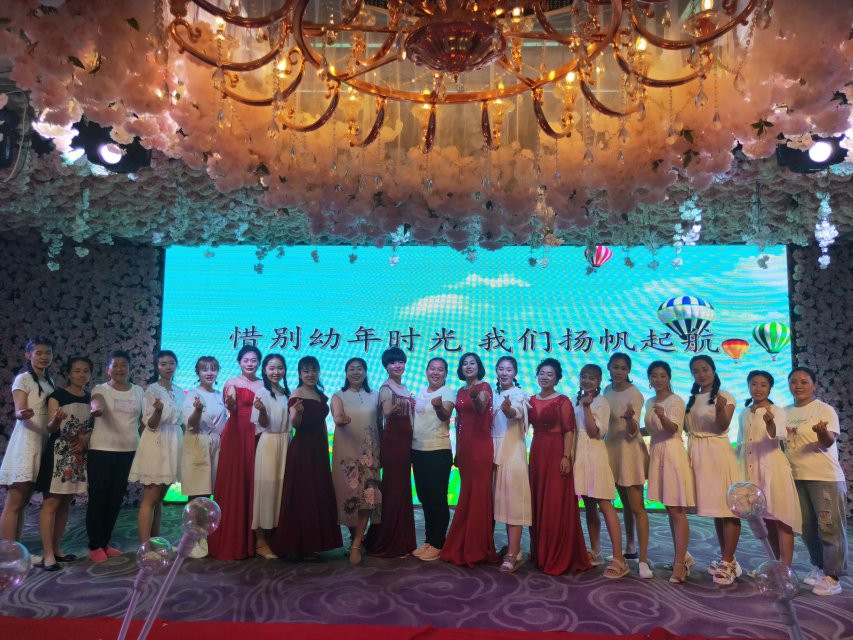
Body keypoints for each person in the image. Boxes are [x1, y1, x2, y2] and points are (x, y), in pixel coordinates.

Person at [270, 356, 342, 559]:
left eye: (314, 370)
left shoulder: (318, 393)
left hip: (318, 449)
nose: (310, 374)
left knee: (317, 493)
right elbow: (295, 424)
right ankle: (299, 546)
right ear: (300, 374)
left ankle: (315, 543)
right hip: (303, 450)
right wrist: (299, 414)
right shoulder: (297, 394)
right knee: (304, 496)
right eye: (306, 371)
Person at [785, 367, 847, 596]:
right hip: (796, 477)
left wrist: (821, 432)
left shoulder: (824, 410)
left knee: (829, 527)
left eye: (804, 381)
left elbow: (828, 442)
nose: (798, 386)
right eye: (794, 381)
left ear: (814, 385)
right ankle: (820, 567)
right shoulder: (785, 411)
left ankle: (833, 577)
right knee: (807, 529)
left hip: (824, 478)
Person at [528, 358, 591, 575]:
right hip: (537, 452)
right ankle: (541, 553)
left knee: (555, 503)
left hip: (557, 452)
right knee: (539, 501)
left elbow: (568, 431)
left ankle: (558, 554)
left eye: (550, 374)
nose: (545, 377)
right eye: (542, 373)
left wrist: (566, 457)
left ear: (557, 379)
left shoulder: (562, 401)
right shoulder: (531, 400)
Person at [685, 355, 741, 585]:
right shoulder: (692, 399)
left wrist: (719, 409)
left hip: (718, 454)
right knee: (718, 510)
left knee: (728, 510)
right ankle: (729, 558)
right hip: (699, 454)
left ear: (714, 370)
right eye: (696, 371)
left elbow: (723, 425)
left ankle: (728, 561)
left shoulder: (724, 396)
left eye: (705, 369)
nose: (701, 374)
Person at [736, 370, 800, 567]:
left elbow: (776, 434)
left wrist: (770, 422)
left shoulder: (777, 411)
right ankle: (775, 565)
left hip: (773, 470)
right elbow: (741, 444)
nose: (758, 389)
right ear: (748, 386)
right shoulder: (744, 413)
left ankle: (786, 569)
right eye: (754, 384)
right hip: (752, 472)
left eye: (763, 385)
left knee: (782, 519)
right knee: (767, 519)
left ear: (770, 388)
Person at [440, 353, 499, 567]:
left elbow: (481, 408)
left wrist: (475, 397)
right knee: (466, 494)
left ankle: (478, 547)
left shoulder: (485, 387)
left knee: (480, 495)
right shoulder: (460, 391)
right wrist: (458, 450)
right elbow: (459, 422)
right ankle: (463, 542)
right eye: (464, 363)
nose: (468, 366)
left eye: (472, 363)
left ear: (479, 366)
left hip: (481, 447)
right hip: (465, 447)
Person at [86, 350, 144, 562]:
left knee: (115, 499)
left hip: (128, 452)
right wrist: (96, 408)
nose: (119, 369)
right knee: (98, 498)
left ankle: (105, 542)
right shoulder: (100, 389)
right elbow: (97, 402)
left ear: (129, 369)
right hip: (102, 451)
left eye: (123, 365)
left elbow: (143, 420)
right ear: (108, 369)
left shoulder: (138, 391)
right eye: (115, 365)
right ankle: (94, 545)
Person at [207, 345, 264, 560]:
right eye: (246, 360)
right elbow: (230, 403)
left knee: (253, 483)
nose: (250, 363)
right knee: (235, 484)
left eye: (254, 360)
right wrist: (231, 403)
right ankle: (232, 540)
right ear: (239, 362)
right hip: (236, 434)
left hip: (256, 434)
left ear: (259, 362)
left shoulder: (263, 384)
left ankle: (256, 540)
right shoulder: (232, 383)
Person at [36, 356, 92, 571]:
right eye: (77, 370)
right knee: (51, 503)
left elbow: (91, 427)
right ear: (69, 373)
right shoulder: (57, 396)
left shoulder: (90, 398)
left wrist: (85, 438)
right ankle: (47, 554)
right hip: (59, 453)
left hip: (78, 455)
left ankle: (57, 548)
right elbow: (50, 428)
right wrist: (57, 420)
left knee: (66, 502)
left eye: (85, 371)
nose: (81, 374)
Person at [573, 364, 628, 579]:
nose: (587, 381)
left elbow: (595, 432)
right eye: (584, 376)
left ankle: (619, 559)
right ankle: (595, 551)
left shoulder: (601, 402)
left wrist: (587, 407)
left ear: (599, 381)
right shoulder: (576, 399)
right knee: (588, 505)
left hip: (595, 456)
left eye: (592, 378)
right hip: (579, 456)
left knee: (604, 504)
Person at [0, 338, 55, 545]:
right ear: (28, 355)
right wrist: (22, 413)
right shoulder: (23, 378)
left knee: (23, 503)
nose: (44, 357)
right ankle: (8, 553)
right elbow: (19, 410)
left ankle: (17, 548)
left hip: (42, 442)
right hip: (26, 443)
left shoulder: (49, 381)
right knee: (14, 503)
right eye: (39, 353)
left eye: (48, 353)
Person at [644, 361, 695, 584]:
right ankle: (682, 557)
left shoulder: (676, 400)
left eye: (662, 375)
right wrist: (628, 425)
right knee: (669, 508)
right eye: (654, 376)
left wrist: (663, 415)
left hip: (672, 453)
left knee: (676, 510)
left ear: (669, 378)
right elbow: (651, 429)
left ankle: (680, 564)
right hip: (657, 452)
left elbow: (673, 428)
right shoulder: (649, 401)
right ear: (649, 379)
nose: (658, 379)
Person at [364, 348, 416, 558]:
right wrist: (392, 412)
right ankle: (387, 541)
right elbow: (386, 413)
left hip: (405, 443)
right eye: (393, 363)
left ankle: (402, 539)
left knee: (402, 490)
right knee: (393, 490)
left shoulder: (404, 387)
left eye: (400, 362)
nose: (397, 366)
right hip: (393, 444)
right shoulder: (386, 388)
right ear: (386, 366)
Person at [129, 350, 184, 543]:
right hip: (156, 442)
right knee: (150, 499)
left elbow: (181, 419)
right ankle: (145, 546)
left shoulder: (179, 390)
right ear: (157, 367)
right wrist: (158, 412)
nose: (168, 367)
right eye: (163, 364)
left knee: (159, 498)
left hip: (174, 442)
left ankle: (156, 540)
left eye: (171, 363)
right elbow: (150, 424)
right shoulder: (152, 390)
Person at [330, 357, 381, 565]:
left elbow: (380, 422)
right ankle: (355, 538)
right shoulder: (338, 395)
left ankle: (357, 544)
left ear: (366, 372)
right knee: (349, 498)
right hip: (347, 454)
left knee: (368, 497)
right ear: (346, 372)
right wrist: (340, 420)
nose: (356, 372)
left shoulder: (375, 395)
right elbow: (337, 416)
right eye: (351, 369)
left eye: (360, 369)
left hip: (370, 452)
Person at [602, 352, 649, 573]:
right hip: (612, 450)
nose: (619, 371)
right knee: (625, 504)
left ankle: (644, 560)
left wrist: (630, 419)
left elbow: (633, 431)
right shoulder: (606, 390)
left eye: (623, 368)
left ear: (629, 370)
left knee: (637, 507)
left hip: (630, 452)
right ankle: (630, 547)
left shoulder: (634, 394)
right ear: (609, 368)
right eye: (615, 367)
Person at [181, 356, 227, 558]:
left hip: (216, 445)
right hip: (197, 444)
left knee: (210, 494)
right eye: (204, 369)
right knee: (197, 494)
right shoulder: (193, 394)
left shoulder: (219, 395)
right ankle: (192, 540)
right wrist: (198, 410)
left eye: (213, 369)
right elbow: (190, 423)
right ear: (197, 372)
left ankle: (205, 537)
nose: (209, 373)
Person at [411, 357, 455, 562]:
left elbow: (445, 415)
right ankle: (429, 540)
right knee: (425, 498)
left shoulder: (447, 392)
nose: (435, 372)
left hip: (438, 450)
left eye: (440, 370)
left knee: (437, 499)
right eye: (432, 369)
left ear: (445, 374)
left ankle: (438, 543)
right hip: (418, 449)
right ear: (426, 371)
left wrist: (438, 408)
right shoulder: (421, 391)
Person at [492, 356, 531, 573]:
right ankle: (511, 549)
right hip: (494, 453)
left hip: (512, 453)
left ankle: (513, 553)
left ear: (515, 373)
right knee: (500, 503)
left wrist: (508, 410)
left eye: (509, 369)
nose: (504, 373)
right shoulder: (494, 394)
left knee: (513, 502)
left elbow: (516, 413)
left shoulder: (518, 394)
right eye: (501, 369)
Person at [251, 354, 291, 559]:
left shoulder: (287, 392)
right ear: (265, 370)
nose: (276, 372)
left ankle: (276, 538)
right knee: (265, 490)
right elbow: (263, 424)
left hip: (286, 443)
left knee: (281, 491)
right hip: (269, 443)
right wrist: (262, 411)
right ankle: (260, 541)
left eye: (280, 368)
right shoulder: (261, 392)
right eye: (272, 368)